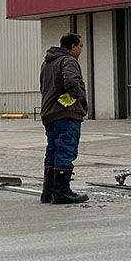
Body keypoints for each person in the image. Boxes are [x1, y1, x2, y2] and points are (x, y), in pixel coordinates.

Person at [39, 32, 89, 205]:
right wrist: (79, 99)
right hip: (65, 113)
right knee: (65, 150)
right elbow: (71, 82)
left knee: (52, 150)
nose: (81, 49)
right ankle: (61, 191)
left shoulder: (47, 63)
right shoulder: (69, 61)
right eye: (80, 46)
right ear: (73, 46)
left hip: (49, 113)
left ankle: (48, 192)